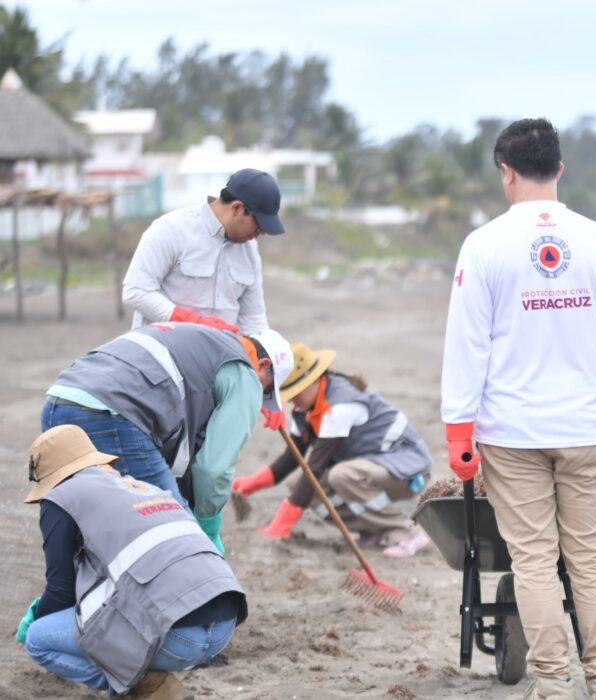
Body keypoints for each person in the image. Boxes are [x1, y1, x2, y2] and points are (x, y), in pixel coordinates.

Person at [440, 118, 596, 700]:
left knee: (534, 560)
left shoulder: (483, 245)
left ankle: (555, 684)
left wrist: (458, 431)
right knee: (591, 561)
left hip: (510, 434)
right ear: (560, 170)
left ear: (506, 172)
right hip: (587, 429)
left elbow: (467, 344)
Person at [16, 424, 247, 698]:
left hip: (175, 637)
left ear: (50, 479)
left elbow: (60, 589)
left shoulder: (59, 499)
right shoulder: (142, 487)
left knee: (39, 639)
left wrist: (36, 617)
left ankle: (148, 685)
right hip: (225, 624)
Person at [40, 322, 293, 553]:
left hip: (59, 401)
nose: (259, 397)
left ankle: (59, 601)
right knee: (175, 538)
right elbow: (214, 469)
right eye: (266, 389)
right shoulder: (244, 371)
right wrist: (206, 527)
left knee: (86, 532)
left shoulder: (198, 339)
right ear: (263, 366)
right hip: (114, 414)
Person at [122, 168, 288, 429]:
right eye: (259, 225)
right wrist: (194, 323)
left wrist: (267, 391)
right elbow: (136, 291)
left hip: (213, 378)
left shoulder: (250, 252)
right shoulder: (171, 230)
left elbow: (255, 324)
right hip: (159, 371)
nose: (261, 234)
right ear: (236, 208)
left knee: (204, 458)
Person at [231, 342, 433, 554]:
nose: (293, 401)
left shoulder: (340, 406)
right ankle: (372, 529)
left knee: (341, 475)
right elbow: (292, 458)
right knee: (296, 483)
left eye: (296, 392)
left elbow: (314, 468)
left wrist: (281, 524)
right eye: (288, 394)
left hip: (407, 470)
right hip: (371, 467)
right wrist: (252, 484)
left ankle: (407, 533)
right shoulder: (305, 408)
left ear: (314, 380)